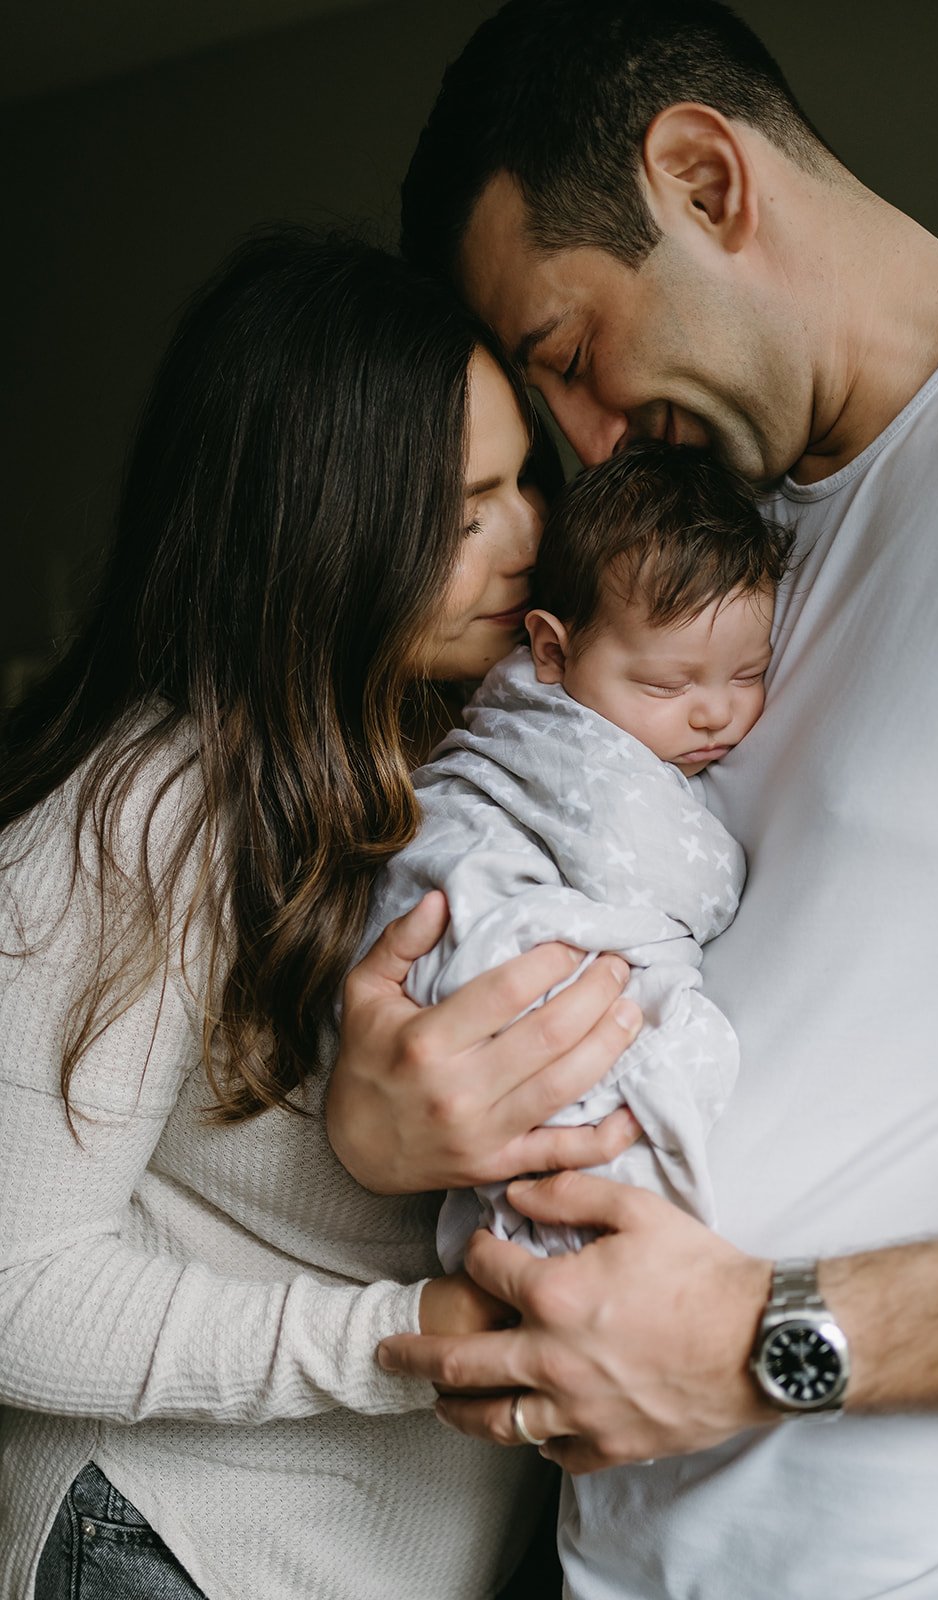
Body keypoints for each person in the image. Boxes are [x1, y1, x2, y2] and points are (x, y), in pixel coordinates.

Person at [327, 2, 938, 1595]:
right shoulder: (690, 547)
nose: (585, 450)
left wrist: (763, 1339)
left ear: (701, 179)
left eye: (568, 357)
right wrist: (386, 1126)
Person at [0, 224, 640, 1600]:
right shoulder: (144, 811)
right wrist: (407, 1337)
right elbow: (14, 1289)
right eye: (462, 511)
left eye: (521, 478)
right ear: (320, 526)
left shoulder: (473, 746)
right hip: (179, 1547)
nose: (531, 536)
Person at [366, 441, 790, 1277]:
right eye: (667, 687)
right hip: (485, 938)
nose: (714, 714)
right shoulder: (569, 746)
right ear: (553, 652)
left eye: (748, 674)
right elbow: (683, 886)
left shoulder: (573, 698)